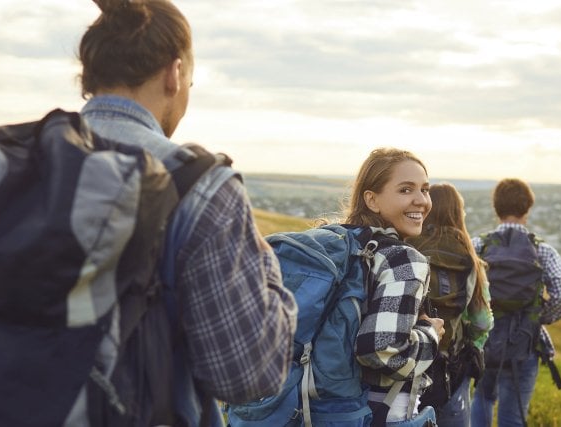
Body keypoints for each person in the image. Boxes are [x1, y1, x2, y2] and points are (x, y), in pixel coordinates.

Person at [78, 0, 298, 421]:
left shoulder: (5, 164)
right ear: (175, 74)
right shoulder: (196, 185)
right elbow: (247, 375)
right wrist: (269, 276)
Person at [345, 148, 445, 426]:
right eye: (405, 190)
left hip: (319, 407)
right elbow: (380, 350)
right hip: (382, 412)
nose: (421, 201)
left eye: (425, 190)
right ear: (372, 200)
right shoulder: (404, 259)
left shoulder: (343, 245)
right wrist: (430, 335)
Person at [469, 178, 561, 427]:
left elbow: (465, 292)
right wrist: (538, 317)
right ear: (527, 208)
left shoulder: (478, 246)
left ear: (496, 208)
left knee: (482, 400)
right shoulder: (542, 250)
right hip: (525, 342)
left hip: (484, 341)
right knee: (513, 417)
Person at [406, 183, 493, 426]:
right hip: (450, 365)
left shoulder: (407, 245)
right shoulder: (468, 257)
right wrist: (474, 345)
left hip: (407, 362)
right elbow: (482, 320)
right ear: (458, 212)